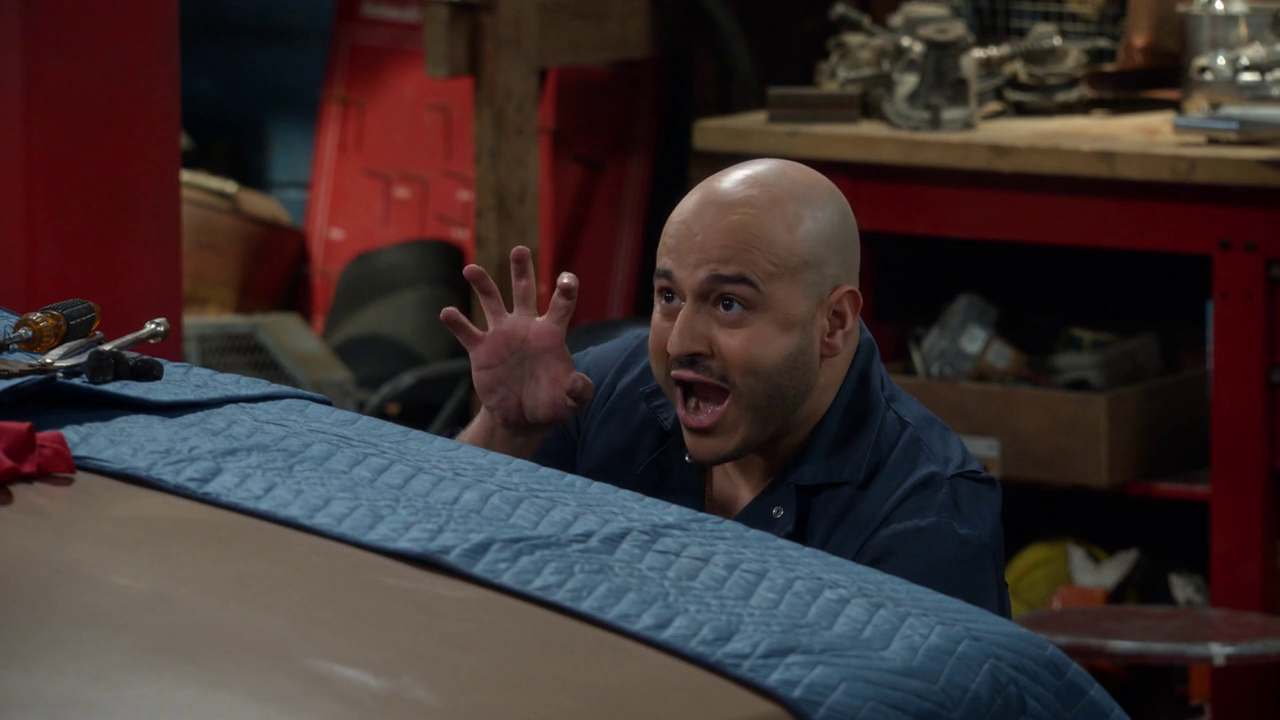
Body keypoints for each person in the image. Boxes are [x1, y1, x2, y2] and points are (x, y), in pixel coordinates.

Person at [440, 158, 1011, 618]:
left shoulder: (928, 520)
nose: (680, 341)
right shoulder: (601, 390)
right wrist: (506, 432)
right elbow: (441, 571)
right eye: (669, 297)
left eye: (729, 303)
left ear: (833, 323)